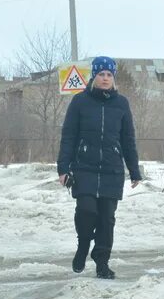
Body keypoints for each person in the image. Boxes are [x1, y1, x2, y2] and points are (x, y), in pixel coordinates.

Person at [57, 56, 142, 278]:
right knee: (86, 210)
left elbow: (128, 139)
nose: (105, 78)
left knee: (107, 219)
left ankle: (102, 262)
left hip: (112, 170)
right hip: (84, 167)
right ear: (94, 77)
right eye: (101, 74)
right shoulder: (80, 102)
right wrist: (63, 168)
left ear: (113, 78)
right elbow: (68, 136)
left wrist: (134, 170)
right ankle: (83, 244)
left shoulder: (121, 104)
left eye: (109, 75)